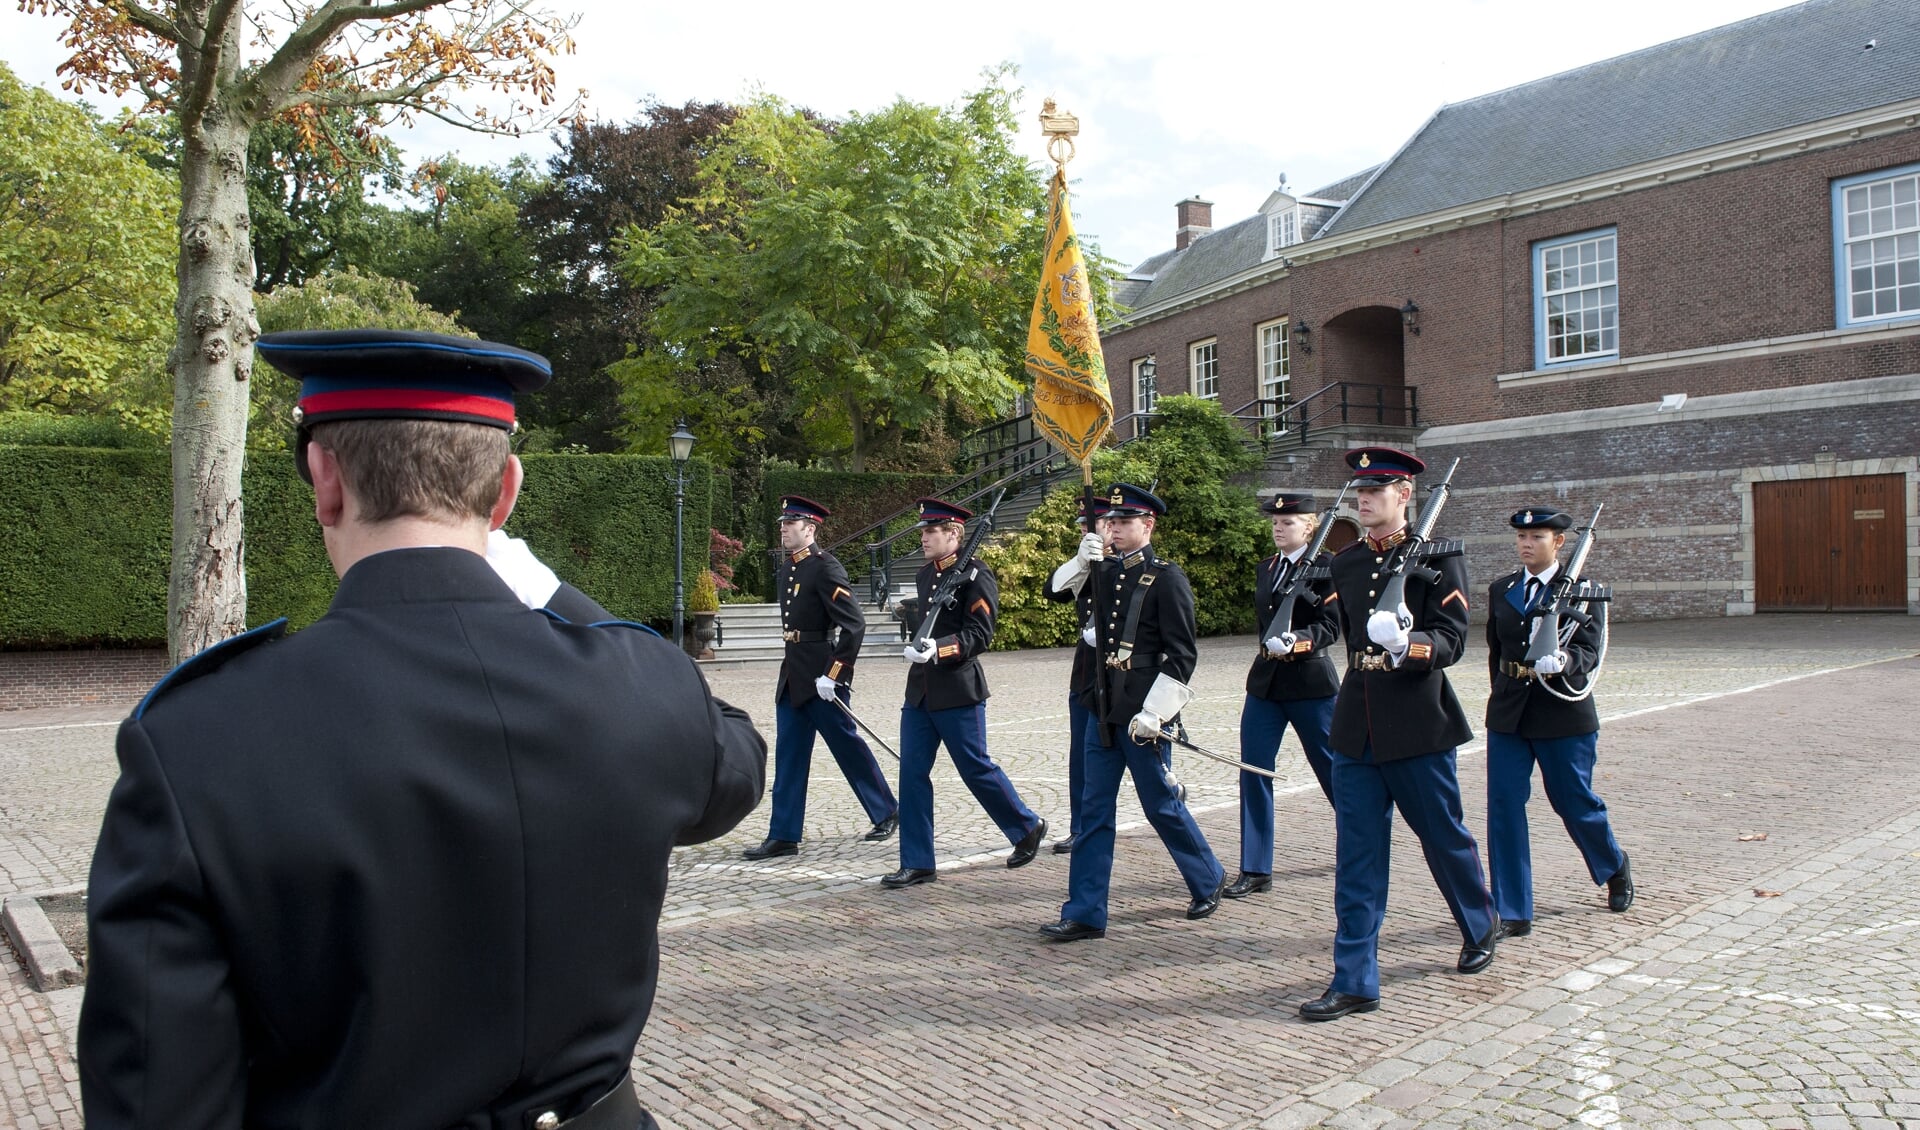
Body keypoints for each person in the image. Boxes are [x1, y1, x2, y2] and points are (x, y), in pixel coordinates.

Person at [80, 329, 767, 1130]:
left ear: (324, 479)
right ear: (506, 492)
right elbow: (736, 755)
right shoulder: (639, 687)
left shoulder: (196, 737)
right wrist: (558, 598)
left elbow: (157, 1101)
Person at [1299, 447, 1497, 1022]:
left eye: (1377, 489)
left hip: (1417, 724)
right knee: (1356, 857)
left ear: (1404, 495)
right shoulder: (1346, 562)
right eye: (1360, 489)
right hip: (1356, 727)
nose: (1364, 498)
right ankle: (1355, 979)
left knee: (1444, 838)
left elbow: (1452, 640)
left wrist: (1407, 646)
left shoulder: (1438, 558)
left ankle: (1480, 924)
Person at [1040, 483, 1226, 942]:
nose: (1115, 529)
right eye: (1111, 522)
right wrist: (1080, 561)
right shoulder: (1100, 571)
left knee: (1160, 804)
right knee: (1093, 809)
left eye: (1124, 522)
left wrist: (1158, 711)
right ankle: (1084, 911)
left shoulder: (1167, 577)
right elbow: (1055, 593)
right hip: (1101, 704)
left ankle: (1207, 875)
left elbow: (1182, 655)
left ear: (1148, 525)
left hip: (1144, 710)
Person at [882, 497, 1048, 888]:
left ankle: (1026, 825)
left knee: (975, 767)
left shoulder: (976, 574)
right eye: (923, 530)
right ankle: (918, 861)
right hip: (921, 692)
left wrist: (939, 649)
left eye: (930, 531)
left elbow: (981, 633)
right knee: (911, 774)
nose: (923, 537)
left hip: (958, 688)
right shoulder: (926, 576)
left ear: (954, 534)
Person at [1485, 506, 1633, 938]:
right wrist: (1501, 695)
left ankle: (1613, 865)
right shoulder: (1503, 589)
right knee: (1504, 807)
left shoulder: (1585, 591)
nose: (1527, 544)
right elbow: (1498, 650)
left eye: (1537, 537)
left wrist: (1564, 660)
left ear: (1559, 543)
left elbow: (1591, 650)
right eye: (1521, 538)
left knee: (1573, 801)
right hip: (1511, 711)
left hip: (1562, 710)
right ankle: (1512, 908)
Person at [743, 495, 900, 860]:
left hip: (822, 678)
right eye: (782, 523)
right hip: (794, 675)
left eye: (790, 523)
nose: (783, 528)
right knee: (789, 756)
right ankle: (783, 835)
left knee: (848, 748)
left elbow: (854, 625)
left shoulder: (826, 567)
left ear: (809, 529)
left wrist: (835, 673)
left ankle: (888, 810)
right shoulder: (788, 569)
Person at [1228, 491, 1341, 900]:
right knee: (1253, 769)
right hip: (1266, 682)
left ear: (1310, 526)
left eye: (1288, 522)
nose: (1278, 528)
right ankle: (1256, 866)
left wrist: (1300, 640)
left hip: (1311, 683)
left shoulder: (1328, 567)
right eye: (1275, 523)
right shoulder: (1267, 568)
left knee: (1333, 769)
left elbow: (1332, 625)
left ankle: (1358, 843)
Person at [1040, 496, 1113, 855]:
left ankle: (1170, 793)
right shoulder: (1085, 564)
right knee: (1081, 754)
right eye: (1082, 526)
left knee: (1151, 755)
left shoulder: (1131, 564)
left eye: (1092, 525)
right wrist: (1080, 560)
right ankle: (1080, 826)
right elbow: (1052, 591)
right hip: (1087, 672)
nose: (1085, 531)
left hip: (1126, 676)